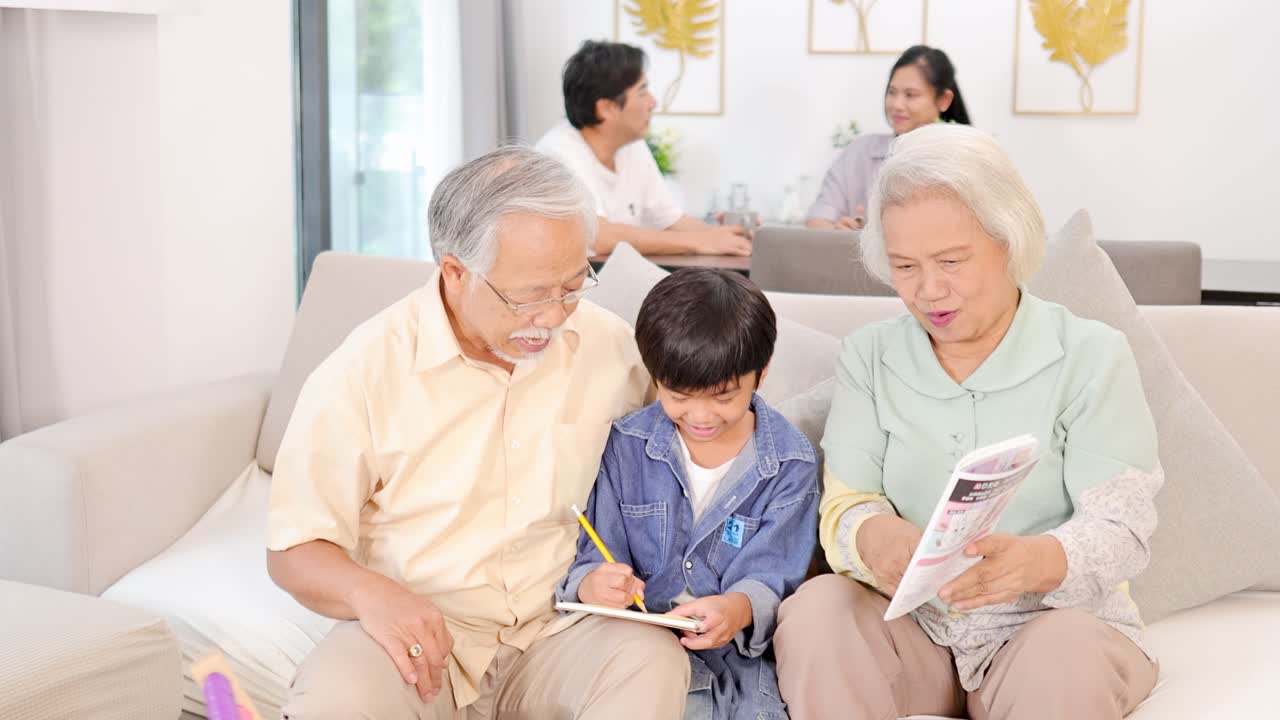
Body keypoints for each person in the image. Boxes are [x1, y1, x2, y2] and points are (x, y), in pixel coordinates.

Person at [266, 146, 691, 719]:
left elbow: (696, 449)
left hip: (562, 627)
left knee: (651, 660)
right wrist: (373, 595)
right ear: (455, 273)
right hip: (425, 636)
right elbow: (295, 548)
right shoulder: (363, 370)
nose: (554, 314)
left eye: (572, 285)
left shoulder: (610, 347)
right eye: (530, 295)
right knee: (337, 698)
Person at [774, 124, 1163, 720]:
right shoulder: (869, 357)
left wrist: (1037, 561)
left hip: (1047, 628)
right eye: (905, 267)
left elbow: (1123, 525)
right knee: (818, 609)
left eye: (952, 261)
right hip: (912, 631)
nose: (929, 290)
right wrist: (877, 538)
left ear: (1008, 241)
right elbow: (846, 506)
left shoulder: (1090, 355)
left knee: (1064, 655)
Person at [556, 268, 820, 719]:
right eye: (678, 395)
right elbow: (596, 550)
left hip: (736, 664)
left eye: (722, 397)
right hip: (634, 648)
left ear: (761, 373)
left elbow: (777, 576)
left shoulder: (790, 465)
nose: (700, 415)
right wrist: (595, 583)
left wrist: (736, 609)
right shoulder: (627, 446)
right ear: (655, 377)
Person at [536, 40, 751, 257]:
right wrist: (699, 241)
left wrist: (731, 235)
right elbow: (600, 236)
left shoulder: (632, 146)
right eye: (642, 92)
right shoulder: (557, 154)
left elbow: (671, 220)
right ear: (606, 108)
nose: (653, 102)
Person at [806, 45, 970, 231]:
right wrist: (838, 231)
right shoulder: (859, 152)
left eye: (911, 95)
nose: (897, 104)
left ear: (944, 100)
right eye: (892, 92)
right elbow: (817, 219)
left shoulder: (964, 161)